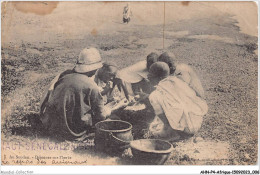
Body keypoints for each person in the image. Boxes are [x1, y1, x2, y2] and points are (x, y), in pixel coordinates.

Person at [40, 48, 118, 140]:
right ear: (95, 69)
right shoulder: (92, 86)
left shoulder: (64, 76)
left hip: (53, 127)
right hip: (73, 131)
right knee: (113, 119)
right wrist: (113, 108)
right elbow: (100, 117)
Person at [147, 62, 208, 140]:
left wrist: (164, 127)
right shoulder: (178, 81)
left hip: (186, 129)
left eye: (151, 76)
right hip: (197, 123)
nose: (149, 79)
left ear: (158, 78)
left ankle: (173, 133)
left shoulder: (155, 94)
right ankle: (178, 129)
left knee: (153, 98)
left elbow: (170, 110)